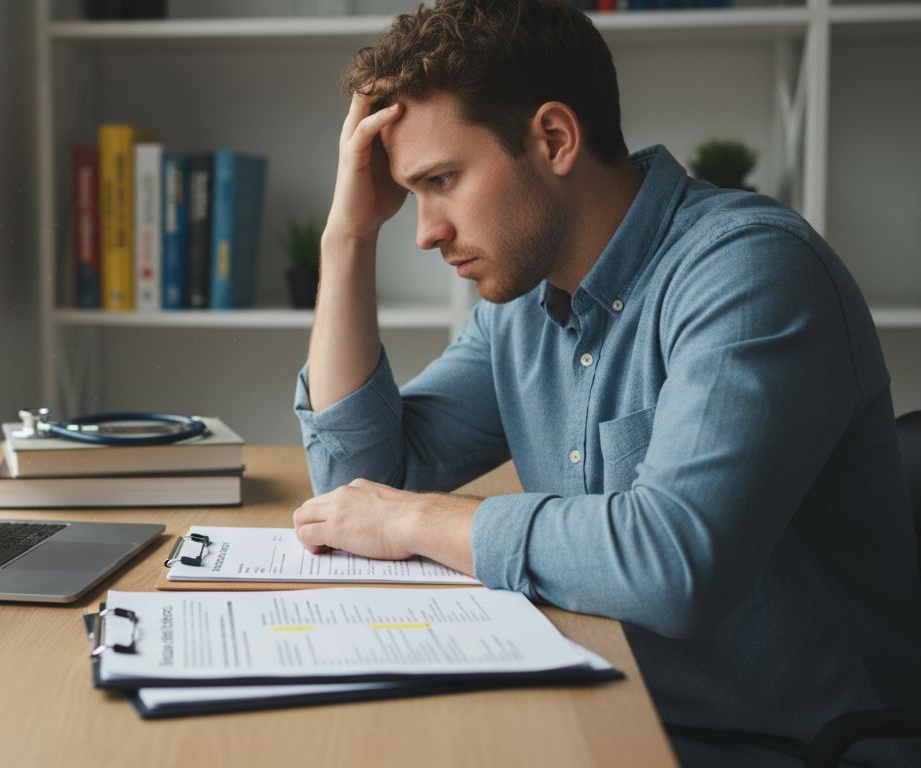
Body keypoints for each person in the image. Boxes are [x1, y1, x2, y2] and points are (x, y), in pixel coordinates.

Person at [291, 0, 921, 766]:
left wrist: (418, 521)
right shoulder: (522, 306)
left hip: (784, 748)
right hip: (606, 713)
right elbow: (355, 485)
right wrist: (347, 237)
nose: (424, 230)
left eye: (443, 180)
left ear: (554, 139)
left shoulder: (751, 273)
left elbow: (672, 563)